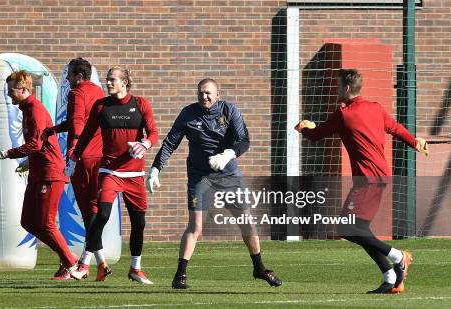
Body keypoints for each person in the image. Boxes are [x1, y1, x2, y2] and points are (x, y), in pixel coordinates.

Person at [295, 68, 428, 294]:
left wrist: (304, 128)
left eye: (338, 86)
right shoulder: (375, 108)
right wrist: (414, 142)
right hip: (379, 177)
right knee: (359, 229)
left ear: (346, 88)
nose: (336, 90)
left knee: (345, 228)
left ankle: (399, 256)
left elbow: (317, 135)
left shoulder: (344, 113)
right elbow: (396, 129)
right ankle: (390, 278)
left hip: (367, 180)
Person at [148, 78, 282, 289]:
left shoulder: (229, 111)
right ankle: (179, 275)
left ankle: (259, 268)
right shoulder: (188, 113)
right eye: (201, 92)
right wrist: (156, 169)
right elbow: (170, 143)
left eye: (209, 93)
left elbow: (244, 140)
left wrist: (229, 154)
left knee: (246, 221)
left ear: (218, 94)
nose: (204, 96)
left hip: (229, 176)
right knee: (196, 226)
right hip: (199, 177)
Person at [69, 66, 158, 284]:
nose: (108, 83)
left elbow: (153, 132)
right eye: (108, 79)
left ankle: (136, 268)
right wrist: (73, 159)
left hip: (135, 174)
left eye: (112, 80)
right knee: (102, 215)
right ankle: (84, 263)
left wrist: (145, 144)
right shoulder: (101, 106)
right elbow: (86, 135)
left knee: (139, 223)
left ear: (124, 82)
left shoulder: (141, 104)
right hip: (110, 171)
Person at [0, 70, 77, 280]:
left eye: (11, 90)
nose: (9, 94)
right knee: (28, 221)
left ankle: (71, 262)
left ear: (23, 89)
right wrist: (29, 162)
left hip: (50, 173)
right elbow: (41, 144)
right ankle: (67, 259)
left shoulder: (35, 109)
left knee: (45, 223)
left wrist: (7, 153)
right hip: (38, 171)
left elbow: (35, 144)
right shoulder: (26, 108)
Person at [45, 58, 107, 280]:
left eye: (70, 75)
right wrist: (55, 129)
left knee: (87, 211)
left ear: (79, 77)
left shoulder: (76, 93)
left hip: (84, 158)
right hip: (101, 157)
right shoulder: (99, 92)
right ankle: (100, 262)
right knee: (92, 209)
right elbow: (79, 122)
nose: (68, 79)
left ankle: (84, 262)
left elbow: (78, 122)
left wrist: (73, 152)